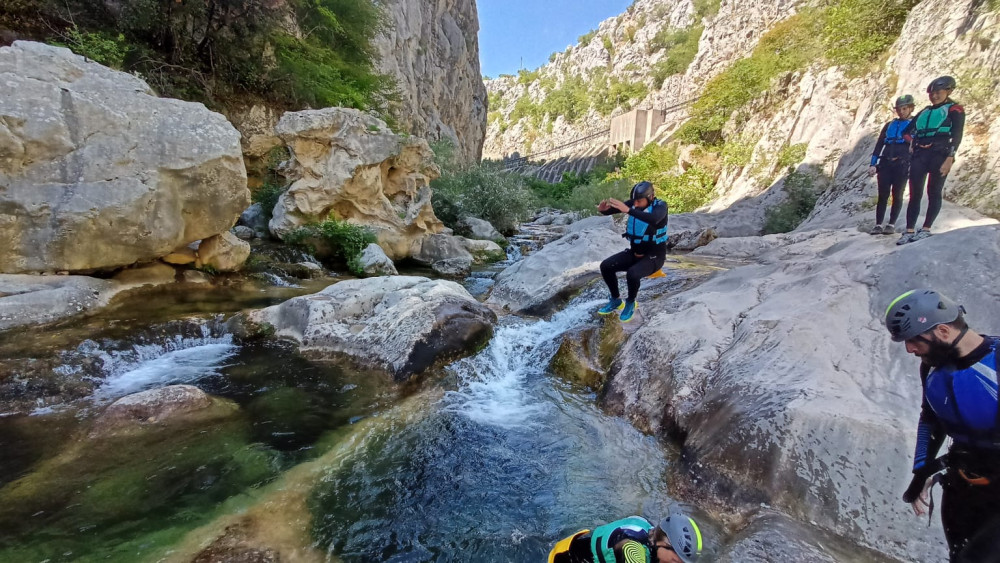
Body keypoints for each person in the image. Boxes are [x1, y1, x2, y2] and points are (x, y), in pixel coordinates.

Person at [884, 289, 1000, 561]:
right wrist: (920, 473)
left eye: (914, 341)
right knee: (959, 555)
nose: (910, 350)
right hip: (964, 486)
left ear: (944, 332)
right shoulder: (931, 367)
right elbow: (931, 417)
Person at [896, 76, 966, 245]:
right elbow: (906, 131)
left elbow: (957, 135)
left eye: (938, 92)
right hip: (920, 155)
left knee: (934, 191)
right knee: (915, 193)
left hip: (939, 154)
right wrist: (912, 141)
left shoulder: (954, 109)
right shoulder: (924, 111)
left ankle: (926, 228)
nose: (934, 96)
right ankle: (909, 230)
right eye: (932, 93)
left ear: (948, 91)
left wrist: (950, 157)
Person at [596, 181, 668, 323]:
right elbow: (614, 210)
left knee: (632, 274)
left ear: (651, 197)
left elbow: (654, 219)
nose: (635, 204)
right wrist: (603, 210)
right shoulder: (635, 203)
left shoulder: (660, 206)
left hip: (654, 257)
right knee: (606, 266)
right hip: (635, 253)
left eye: (639, 201)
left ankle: (630, 302)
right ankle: (616, 300)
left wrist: (628, 210)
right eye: (634, 201)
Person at [548, 512, 703, 563]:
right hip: (564, 559)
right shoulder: (632, 546)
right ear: (664, 543)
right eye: (675, 561)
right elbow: (629, 550)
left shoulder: (648, 529)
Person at [867, 94, 915, 235]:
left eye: (904, 108)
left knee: (897, 194)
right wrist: (873, 163)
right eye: (899, 109)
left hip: (902, 163)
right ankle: (878, 224)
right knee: (883, 194)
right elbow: (879, 144)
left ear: (911, 108)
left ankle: (891, 224)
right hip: (886, 162)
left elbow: (916, 146)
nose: (901, 111)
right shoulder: (889, 125)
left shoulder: (914, 125)